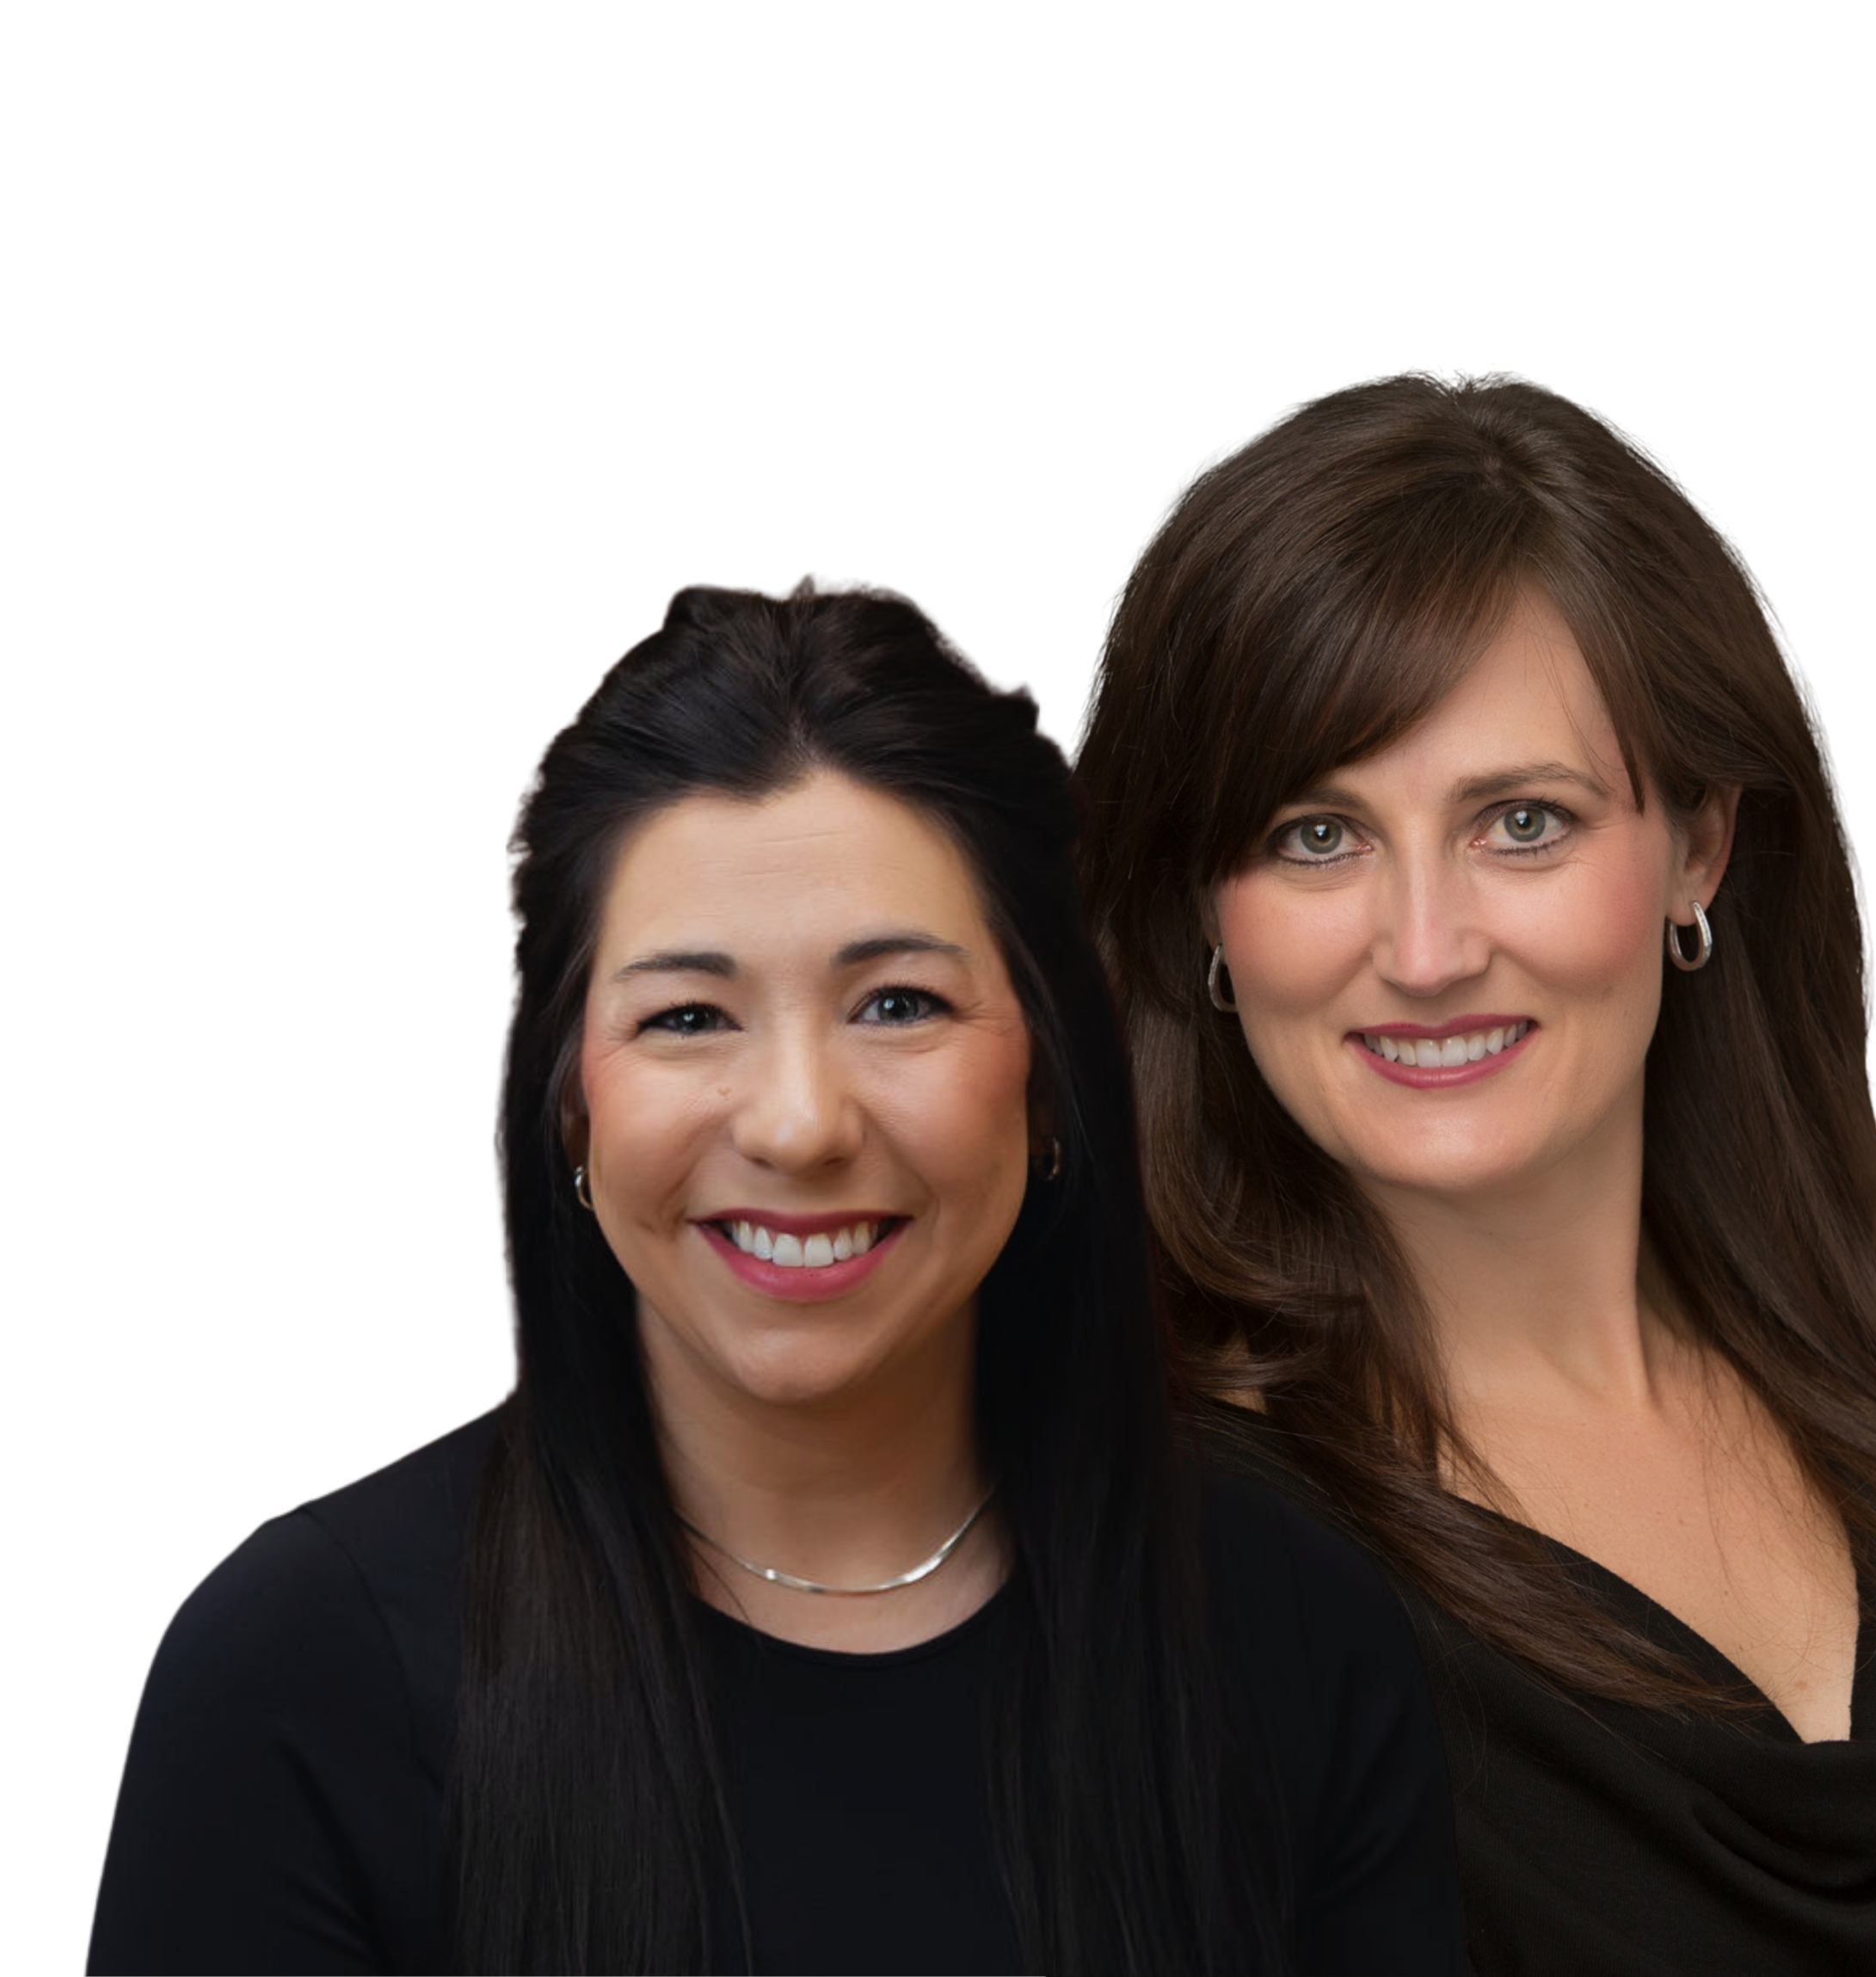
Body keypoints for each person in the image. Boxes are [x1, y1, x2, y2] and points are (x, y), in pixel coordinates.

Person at [88, 580, 1467, 1976]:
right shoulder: (295, 1676)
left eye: (898, 1005)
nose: (799, 1123)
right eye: (688, 1017)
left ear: (1050, 1081)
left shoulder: (1296, 1635)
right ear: (570, 1106)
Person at [1068, 368, 1876, 1975]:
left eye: (1522, 820)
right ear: (1200, 913)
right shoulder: (1149, 1578)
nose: (1424, 948)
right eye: (1316, 835)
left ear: (1699, 847)